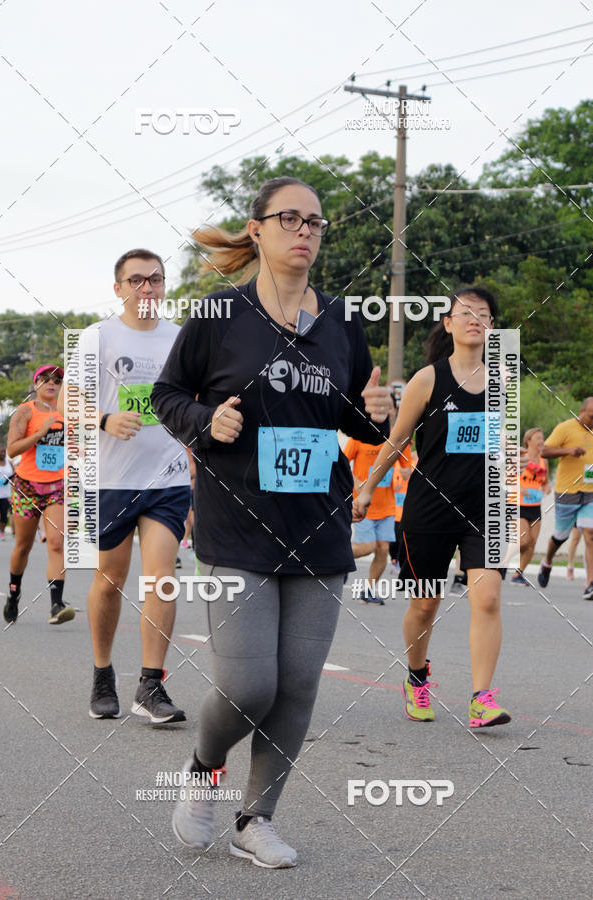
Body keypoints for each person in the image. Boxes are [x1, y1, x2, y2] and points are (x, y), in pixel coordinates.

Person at [151, 176, 392, 868]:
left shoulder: (342, 320)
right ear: (256, 230)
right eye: (290, 219)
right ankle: (203, 769)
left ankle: (256, 820)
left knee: (298, 685)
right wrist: (205, 419)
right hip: (238, 525)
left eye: (316, 223)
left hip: (318, 524)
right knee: (249, 685)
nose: (306, 232)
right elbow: (169, 395)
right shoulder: (220, 315)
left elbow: (347, 412)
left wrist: (369, 415)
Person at [354, 285, 512, 729]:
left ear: (492, 326)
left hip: (485, 506)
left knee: (489, 596)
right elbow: (398, 439)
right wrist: (367, 488)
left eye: (483, 313)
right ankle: (416, 676)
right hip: (431, 506)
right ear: (448, 324)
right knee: (425, 604)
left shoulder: (504, 380)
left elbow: (504, 445)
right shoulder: (429, 378)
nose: (474, 319)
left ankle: (482, 697)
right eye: (464, 312)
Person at [58, 248, 190, 722]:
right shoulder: (97, 338)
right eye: (135, 280)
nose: (146, 288)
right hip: (109, 481)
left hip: (168, 480)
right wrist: (105, 418)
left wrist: (195, 469)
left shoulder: (182, 338)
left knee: (162, 578)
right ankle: (102, 673)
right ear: (118, 288)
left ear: (164, 285)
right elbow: (67, 405)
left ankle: (151, 686)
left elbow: (192, 408)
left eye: (154, 279)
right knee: (110, 579)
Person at [3, 365, 74, 625]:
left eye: (57, 380)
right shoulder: (26, 411)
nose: (51, 383)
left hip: (57, 485)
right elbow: (11, 450)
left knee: (56, 542)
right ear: (36, 384)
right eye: (45, 379)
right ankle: (13, 594)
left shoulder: (69, 413)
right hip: (27, 486)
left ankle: (56, 605)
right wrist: (41, 432)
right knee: (23, 546)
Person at [344, 414, 412, 604]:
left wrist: (406, 472)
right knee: (367, 547)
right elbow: (341, 463)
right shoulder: (358, 437)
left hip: (387, 506)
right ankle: (339, 560)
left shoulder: (397, 441)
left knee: (383, 549)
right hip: (363, 505)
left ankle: (368, 590)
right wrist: (356, 482)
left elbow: (407, 468)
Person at [537, 398, 593, 601]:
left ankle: (589, 584)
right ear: (581, 411)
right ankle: (548, 561)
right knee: (561, 536)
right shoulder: (565, 428)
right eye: (591, 416)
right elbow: (544, 450)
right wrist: (568, 451)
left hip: (590, 492)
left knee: (590, 534)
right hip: (567, 492)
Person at [512, 428, 550, 585]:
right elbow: (507, 477)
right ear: (528, 441)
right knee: (523, 540)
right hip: (518, 503)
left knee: (532, 541)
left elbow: (545, 481)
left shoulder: (543, 460)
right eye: (538, 438)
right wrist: (519, 487)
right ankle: (501, 560)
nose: (542, 441)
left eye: (542, 438)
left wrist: (547, 487)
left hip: (535, 505)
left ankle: (518, 574)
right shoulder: (521, 457)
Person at [0, 446, 13, 538]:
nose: (2, 453)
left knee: (4, 514)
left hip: (6, 494)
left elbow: (14, 475)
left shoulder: (9, 463)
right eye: (1, 451)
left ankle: (2, 532)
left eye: (4, 452)